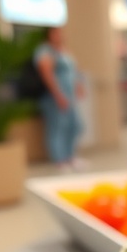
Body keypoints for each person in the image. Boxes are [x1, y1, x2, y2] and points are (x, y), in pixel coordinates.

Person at [34, 26, 83, 170]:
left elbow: (73, 71)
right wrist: (58, 95)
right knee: (57, 128)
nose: (60, 36)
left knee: (74, 126)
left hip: (69, 96)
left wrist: (78, 85)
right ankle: (59, 159)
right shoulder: (45, 51)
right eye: (56, 33)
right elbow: (47, 74)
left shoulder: (63, 50)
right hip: (54, 98)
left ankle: (70, 157)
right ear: (49, 35)